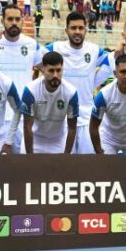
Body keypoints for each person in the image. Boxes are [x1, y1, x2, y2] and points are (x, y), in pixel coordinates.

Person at [0, 5, 45, 154]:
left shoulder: (31, 45)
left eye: (17, 19)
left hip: (22, 116)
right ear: (2, 21)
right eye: (10, 19)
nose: (14, 23)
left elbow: (50, 65)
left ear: (22, 21)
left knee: (20, 165)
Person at [45, 12, 107, 155]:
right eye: (73, 28)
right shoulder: (55, 48)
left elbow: (113, 60)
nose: (77, 31)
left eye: (80, 28)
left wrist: (92, 82)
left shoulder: (95, 50)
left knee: (88, 165)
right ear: (66, 30)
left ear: (86, 29)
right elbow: (33, 54)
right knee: (64, 167)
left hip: (87, 119)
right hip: (61, 120)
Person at [20, 52, 79, 154]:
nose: (55, 75)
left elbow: (72, 128)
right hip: (35, 139)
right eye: (51, 70)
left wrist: (66, 156)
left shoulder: (71, 92)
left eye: (58, 70)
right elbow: (27, 126)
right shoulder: (30, 90)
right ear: (43, 70)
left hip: (59, 141)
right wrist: (29, 157)